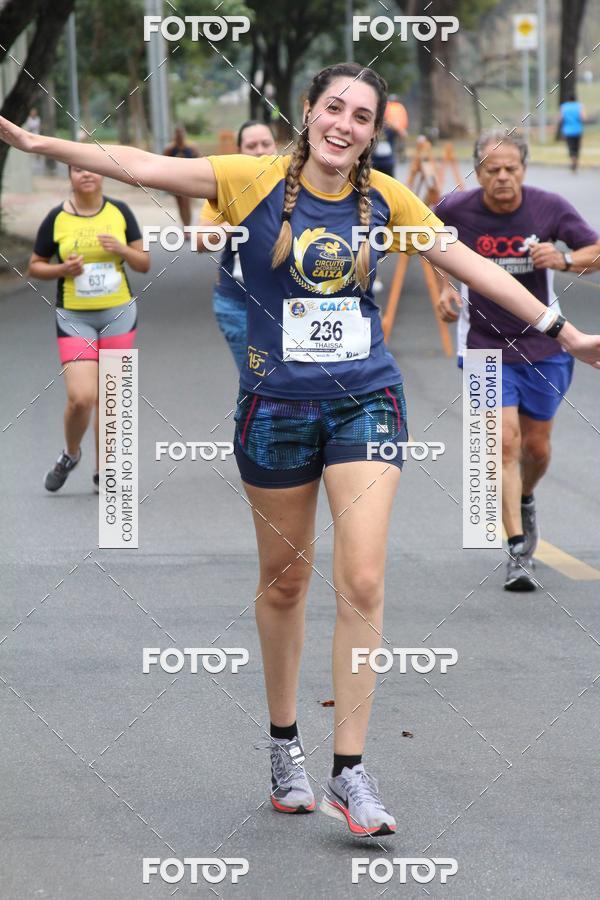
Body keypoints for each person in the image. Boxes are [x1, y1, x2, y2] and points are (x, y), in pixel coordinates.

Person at [4, 63, 600, 838]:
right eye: (334, 108)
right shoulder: (250, 178)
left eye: (362, 115)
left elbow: (474, 266)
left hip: (367, 400)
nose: (346, 124)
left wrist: (567, 333)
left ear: (371, 130)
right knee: (285, 583)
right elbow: (139, 164)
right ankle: (284, 742)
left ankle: (350, 771)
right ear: (307, 112)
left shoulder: (387, 199)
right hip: (274, 406)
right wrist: (32, 137)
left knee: (362, 575)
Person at [435, 129, 600, 591]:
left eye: (511, 168)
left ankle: (525, 499)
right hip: (484, 344)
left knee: (536, 449)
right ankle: (516, 547)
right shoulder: (456, 209)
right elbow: (424, 243)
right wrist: (446, 288)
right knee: (502, 445)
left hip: (546, 347)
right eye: (492, 169)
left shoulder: (547, 207)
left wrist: (563, 259)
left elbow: (595, 249)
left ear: (523, 170)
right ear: (478, 172)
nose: (503, 177)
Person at [27, 165, 149, 493]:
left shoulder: (120, 212)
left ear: (102, 175)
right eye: (78, 169)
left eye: (92, 169)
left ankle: (105, 469)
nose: (86, 174)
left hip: (118, 313)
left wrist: (121, 249)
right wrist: (63, 269)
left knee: (111, 397)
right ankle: (71, 453)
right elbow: (34, 266)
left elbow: (143, 262)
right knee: (81, 398)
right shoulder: (56, 218)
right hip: (74, 316)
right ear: (69, 175)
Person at [196, 121, 277, 371]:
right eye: (251, 146)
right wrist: (237, 225)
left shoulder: (295, 185)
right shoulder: (229, 187)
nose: (260, 150)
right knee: (257, 386)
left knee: (293, 390)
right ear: (239, 151)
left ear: (276, 147)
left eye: (266, 143)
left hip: (288, 306)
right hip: (238, 304)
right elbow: (201, 241)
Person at [163, 125, 199, 226]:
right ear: (175, 134)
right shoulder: (170, 149)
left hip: (189, 180)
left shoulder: (191, 147)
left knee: (187, 203)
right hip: (176, 181)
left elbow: (199, 161)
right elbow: (164, 165)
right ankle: (185, 224)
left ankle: (188, 225)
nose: (180, 135)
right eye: (177, 132)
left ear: (185, 133)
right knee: (180, 204)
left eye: (182, 132)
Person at [559, 93, 586, 172]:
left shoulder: (564, 107)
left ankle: (572, 160)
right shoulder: (579, 106)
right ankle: (576, 161)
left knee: (570, 147)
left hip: (568, 130)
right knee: (577, 147)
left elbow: (561, 118)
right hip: (577, 130)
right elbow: (583, 117)